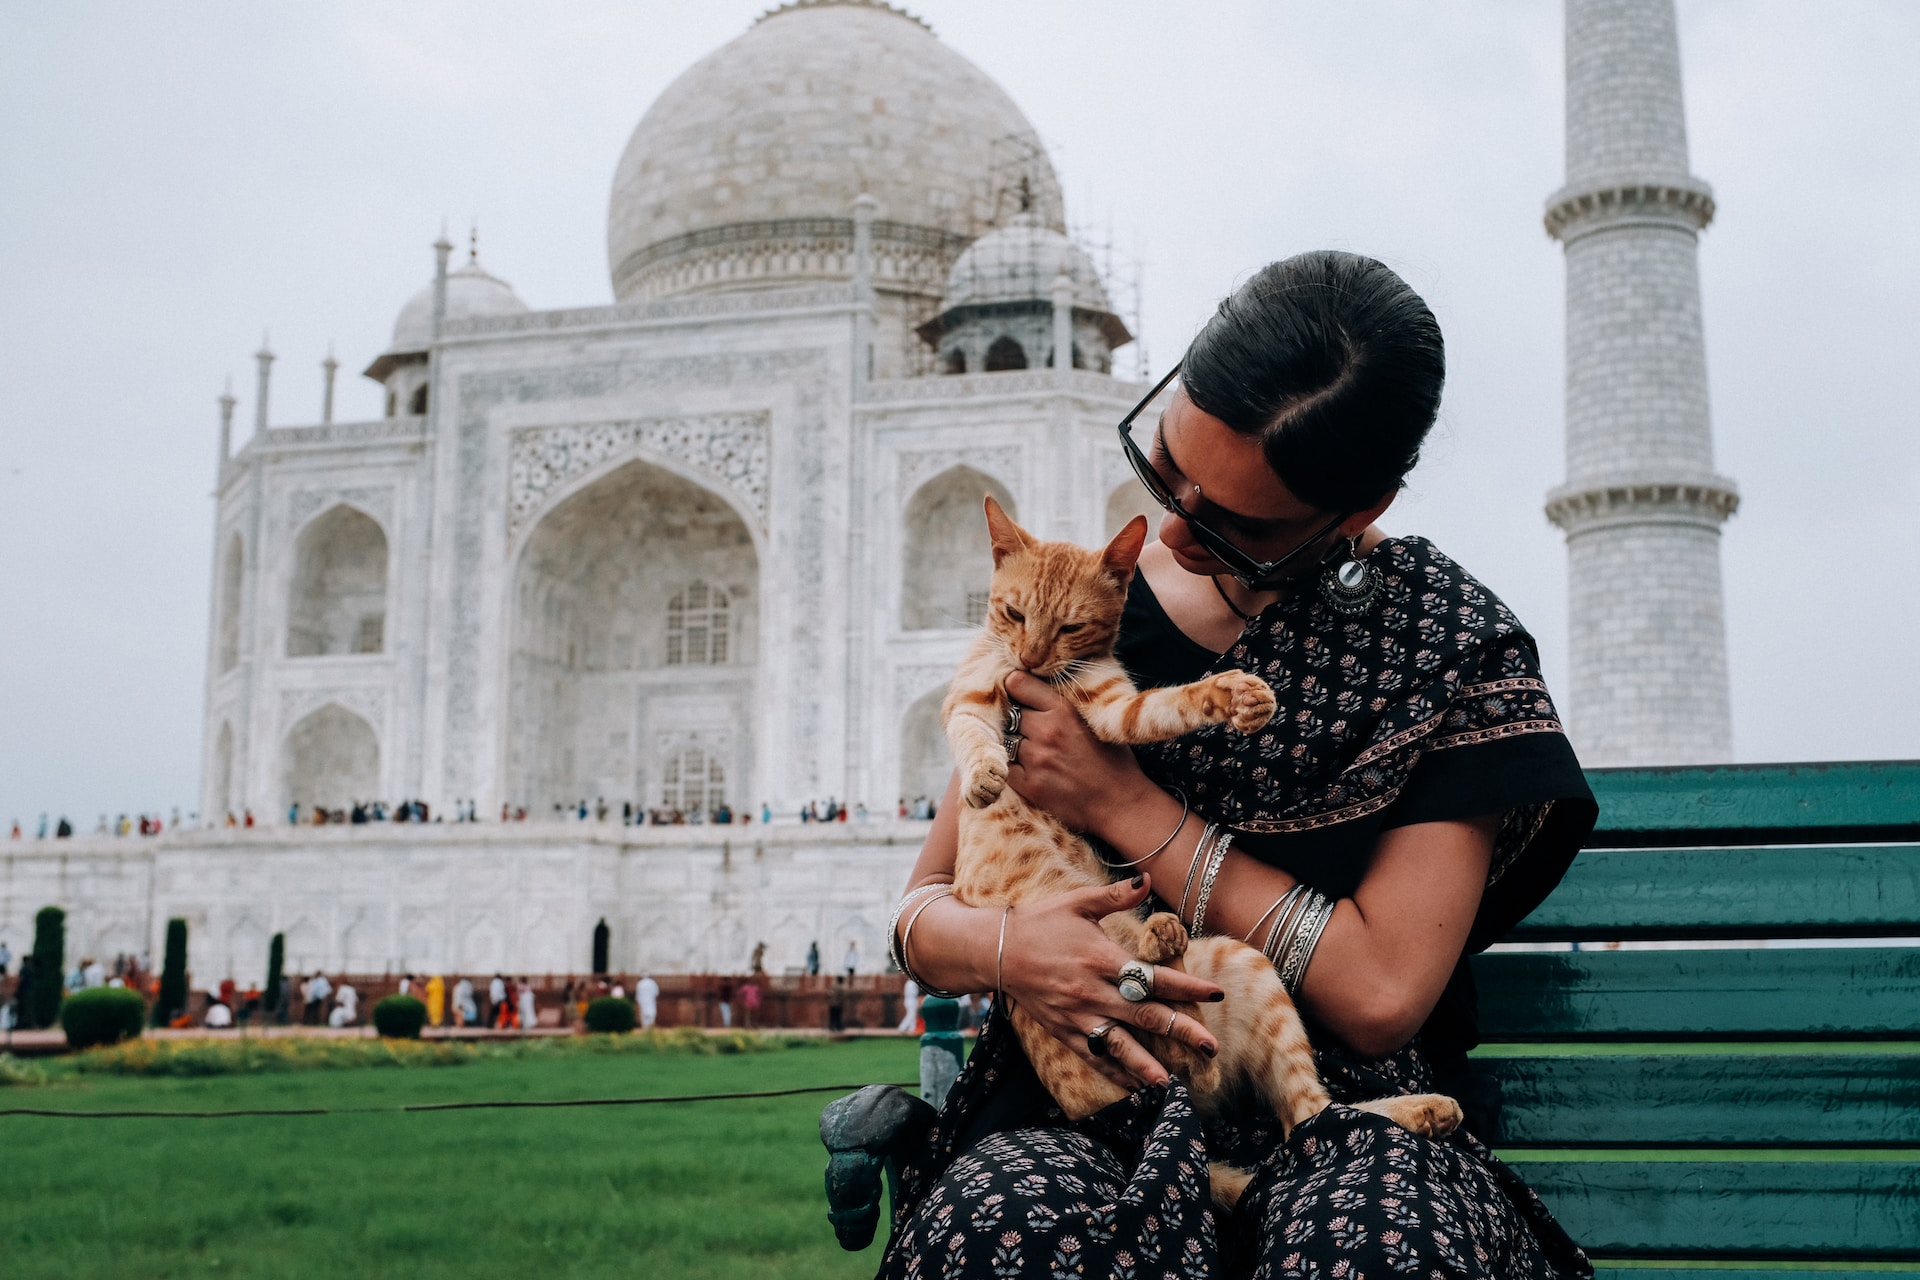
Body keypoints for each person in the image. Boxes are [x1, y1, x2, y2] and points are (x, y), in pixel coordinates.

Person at [877, 254, 1596, 1278]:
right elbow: (918, 915)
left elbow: (1383, 987)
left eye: (1231, 524)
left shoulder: (1446, 649)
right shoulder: (1085, 601)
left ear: (1358, 508)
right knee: (1008, 1233)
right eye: (1165, 468)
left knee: (1380, 1250)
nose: (1172, 529)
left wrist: (1128, 805)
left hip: (1343, 1108)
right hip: (1080, 1084)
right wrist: (1009, 949)